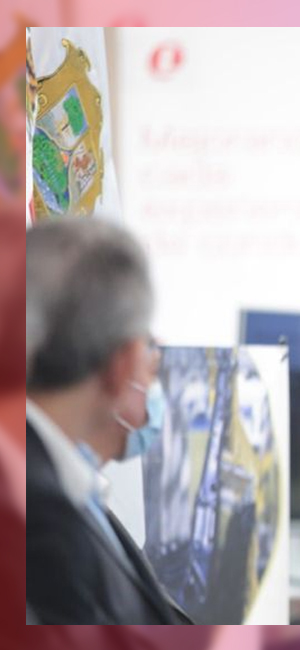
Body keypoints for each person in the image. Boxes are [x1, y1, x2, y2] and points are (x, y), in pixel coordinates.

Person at [25, 218, 192, 625]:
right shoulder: (40, 517)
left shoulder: (63, 486)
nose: (154, 370)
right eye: (149, 351)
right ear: (121, 366)